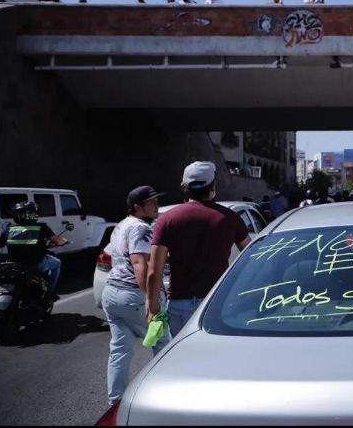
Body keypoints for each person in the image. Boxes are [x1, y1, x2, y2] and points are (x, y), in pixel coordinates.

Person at [146, 161, 251, 336]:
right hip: (216, 303)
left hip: (179, 304)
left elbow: (153, 271)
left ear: (184, 187)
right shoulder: (230, 218)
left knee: (183, 359)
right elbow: (251, 257)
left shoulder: (167, 220)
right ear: (213, 186)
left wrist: (152, 306)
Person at [102, 186, 170, 406]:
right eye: (151, 202)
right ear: (137, 207)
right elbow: (140, 264)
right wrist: (151, 301)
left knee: (120, 350)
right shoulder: (141, 228)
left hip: (112, 293)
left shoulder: (120, 226)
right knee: (163, 345)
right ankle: (163, 399)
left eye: (156, 201)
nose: (156, 205)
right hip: (133, 295)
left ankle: (115, 402)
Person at [0, 201, 68, 301]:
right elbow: (57, 240)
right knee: (57, 263)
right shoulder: (41, 227)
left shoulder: (9, 229)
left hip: (14, 265)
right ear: (29, 215)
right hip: (35, 264)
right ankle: (50, 293)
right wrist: (65, 241)